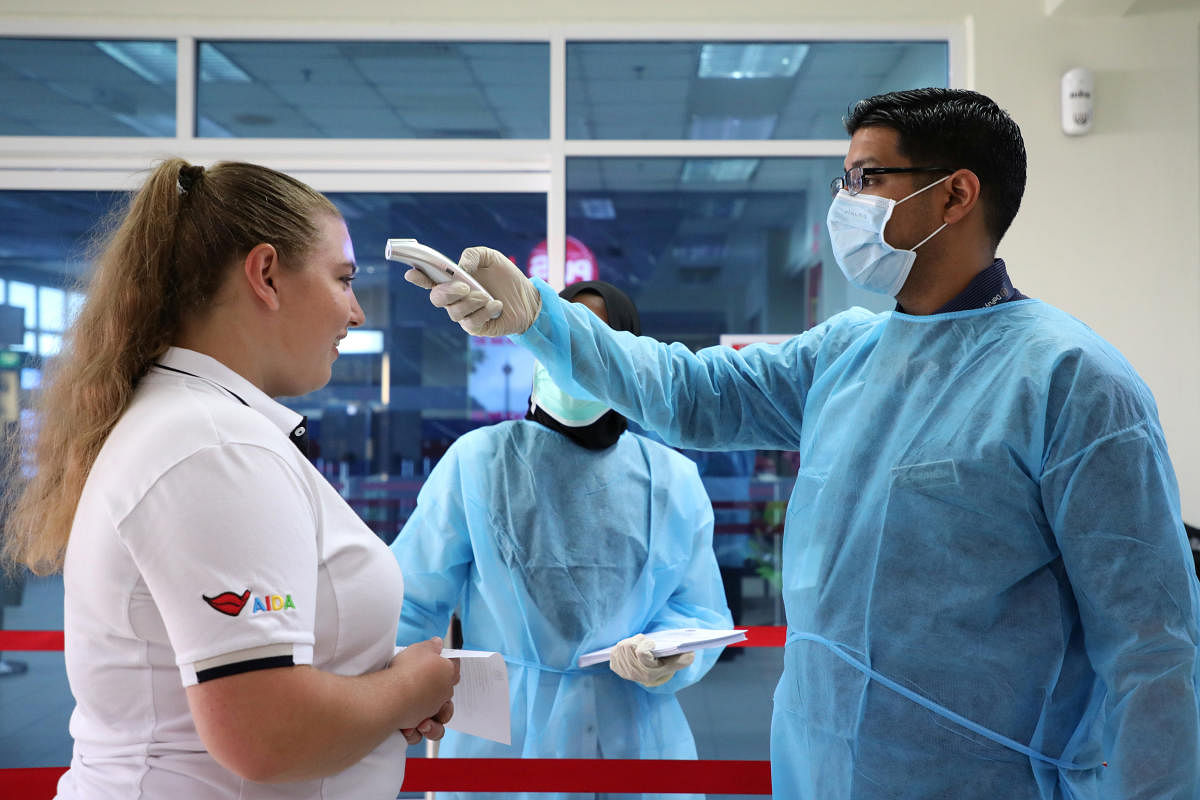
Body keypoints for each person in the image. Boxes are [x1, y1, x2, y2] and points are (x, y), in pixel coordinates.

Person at [406, 89, 1200, 799]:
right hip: (815, 766)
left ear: (955, 194)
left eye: (868, 180)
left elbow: (1152, 647)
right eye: (842, 181)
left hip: (983, 776)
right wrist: (544, 321)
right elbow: (690, 393)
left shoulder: (1070, 379)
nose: (845, 203)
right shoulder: (845, 352)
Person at [0, 159, 459, 799]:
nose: (355, 313)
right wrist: (413, 685)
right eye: (344, 280)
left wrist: (375, 701)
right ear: (265, 274)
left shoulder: (198, 426)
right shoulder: (213, 446)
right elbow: (267, 734)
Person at [390, 281, 732, 800]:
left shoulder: (672, 479)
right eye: (558, 336)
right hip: (503, 743)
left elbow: (700, 611)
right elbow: (409, 603)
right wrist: (381, 702)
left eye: (594, 342)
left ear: (628, 358)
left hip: (639, 740)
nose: (574, 358)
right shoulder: (479, 463)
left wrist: (665, 652)